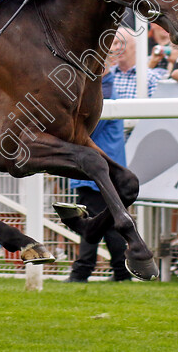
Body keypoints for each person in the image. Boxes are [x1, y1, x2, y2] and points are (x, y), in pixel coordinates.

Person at [65, 64, 130, 283]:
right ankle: (121, 272)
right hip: (99, 172)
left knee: (95, 223)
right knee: (106, 224)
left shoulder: (104, 91)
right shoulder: (104, 88)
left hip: (97, 174)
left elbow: (85, 131)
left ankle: (83, 271)